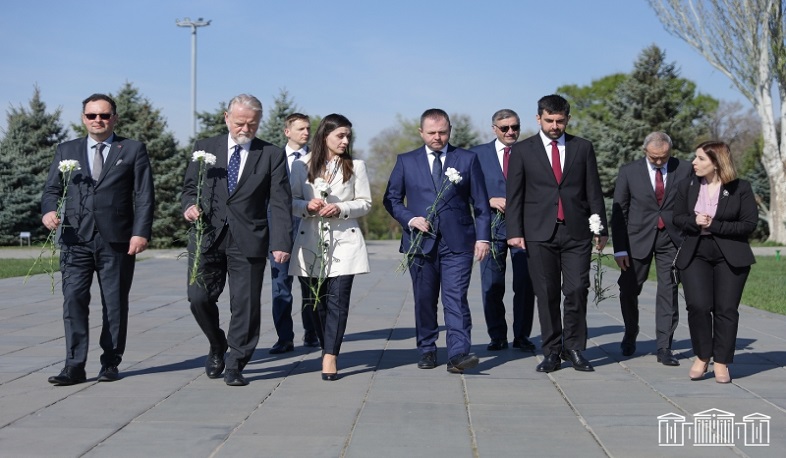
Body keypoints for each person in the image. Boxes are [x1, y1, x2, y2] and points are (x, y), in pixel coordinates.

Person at [42, 93, 154, 385]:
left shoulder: (131, 149)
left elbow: (143, 195)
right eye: (92, 115)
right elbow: (52, 189)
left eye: (104, 115)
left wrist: (140, 232)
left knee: (114, 303)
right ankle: (74, 365)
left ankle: (110, 362)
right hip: (74, 238)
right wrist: (48, 212)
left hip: (116, 240)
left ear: (114, 118)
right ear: (83, 118)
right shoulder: (67, 149)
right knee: (73, 302)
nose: (98, 120)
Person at [182, 94, 292, 387]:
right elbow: (189, 187)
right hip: (207, 236)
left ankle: (236, 362)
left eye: (252, 124)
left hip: (249, 238)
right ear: (226, 117)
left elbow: (280, 202)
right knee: (198, 297)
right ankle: (217, 344)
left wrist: (281, 242)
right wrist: (188, 207)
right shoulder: (204, 148)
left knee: (245, 305)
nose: (245, 129)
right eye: (240, 122)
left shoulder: (271, 154)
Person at [384, 108, 491, 374]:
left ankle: (458, 354)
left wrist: (483, 238)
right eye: (431, 133)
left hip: (458, 244)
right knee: (424, 298)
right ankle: (428, 349)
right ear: (421, 132)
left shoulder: (467, 159)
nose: (437, 137)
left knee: (455, 299)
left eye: (442, 132)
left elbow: (480, 203)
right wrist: (410, 219)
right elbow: (392, 199)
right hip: (420, 243)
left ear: (449, 130)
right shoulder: (406, 161)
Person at [506, 94, 607, 373]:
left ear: (568, 119)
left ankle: (573, 347)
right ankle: (551, 351)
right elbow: (514, 195)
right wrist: (514, 232)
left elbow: (593, 192)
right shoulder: (523, 151)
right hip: (539, 233)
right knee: (547, 293)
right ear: (538, 118)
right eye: (549, 120)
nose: (554, 126)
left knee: (576, 290)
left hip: (577, 232)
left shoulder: (582, 148)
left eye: (559, 121)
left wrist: (600, 228)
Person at [288, 114, 371, 381]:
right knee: (315, 303)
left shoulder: (356, 166)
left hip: (345, 243)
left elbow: (365, 203)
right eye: (340, 135)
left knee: (338, 301)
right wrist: (307, 206)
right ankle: (327, 345)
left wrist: (343, 208)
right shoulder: (302, 166)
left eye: (348, 136)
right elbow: (291, 201)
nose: (346, 141)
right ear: (325, 136)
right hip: (310, 243)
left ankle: (330, 355)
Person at [672, 141, 757, 384]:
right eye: (695, 157)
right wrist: (695, 221)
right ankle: (702, 356)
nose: (694, 163)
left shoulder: (741, 188)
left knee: (726, 310)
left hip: (730, 253)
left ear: (717, 163)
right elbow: (677, 218)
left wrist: (714, 225)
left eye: (701, 159)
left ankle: (721, 362)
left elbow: (749, 225)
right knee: (698, 306)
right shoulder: (686, 186)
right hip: (696, 252)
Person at [611, 132, 692, 365]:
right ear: (644, 150)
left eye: (664, 157)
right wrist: (620, 249)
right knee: (628, 290)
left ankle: (664, 346)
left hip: (672, 239)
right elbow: (619, 212)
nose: (659, 161)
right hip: (636, 240)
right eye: (654, 157)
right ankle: (630, 330)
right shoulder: (629, 171)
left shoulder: (684, 169)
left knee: (668, 291)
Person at [470, 109, 536, 352]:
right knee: (491, 285)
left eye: (515, 127)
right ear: (494, 128)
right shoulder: (477, 154)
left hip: (525, 229)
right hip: (491, 229)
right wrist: (488, 200)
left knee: (526, 285)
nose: (511, 132)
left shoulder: (531, 151)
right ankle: (497, 336)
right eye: (505, 128)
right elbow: (466, 189)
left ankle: (522, 336)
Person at [269, 113, 319, 354]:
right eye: (300, 129)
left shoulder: (318, 159)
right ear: (287, 131)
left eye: (308, 128)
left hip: (308, 229)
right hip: (280, 231)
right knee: (280, 286)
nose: (306, 133)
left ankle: (312, 334)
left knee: (310, 286)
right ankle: (284, 338)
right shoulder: (272, 158)